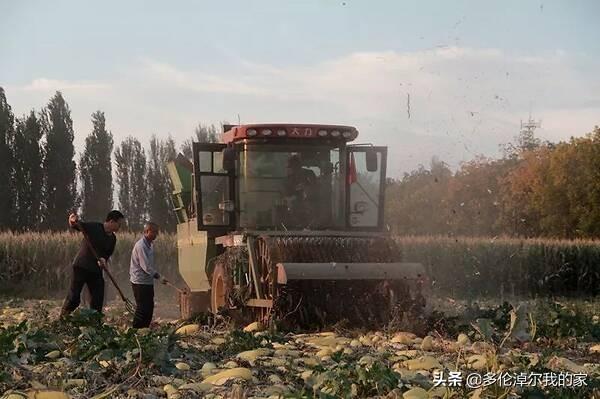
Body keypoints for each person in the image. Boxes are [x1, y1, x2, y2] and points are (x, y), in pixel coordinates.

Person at [60, 210, 125, 316]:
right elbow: (76, 225)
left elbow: (107, 254)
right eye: (119, 224)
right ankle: (63, 318)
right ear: (112, 221)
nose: (120, 226)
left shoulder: (112, 239)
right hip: (81, 266)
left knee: (98, 297)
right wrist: (72, 219)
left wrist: (104, 259)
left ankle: (95, 322)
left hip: (95, 270)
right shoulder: (94, 227)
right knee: (74, 297)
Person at [129, 222, 167, 328]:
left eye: (157, 232)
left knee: (149, 307)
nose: (156, 234)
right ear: (146, 232)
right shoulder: (141, 246)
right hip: (139, 282)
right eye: (153, 232)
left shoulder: (150, 245)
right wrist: (159, 277)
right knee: (142, 308)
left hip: (147, 281)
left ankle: (144, 330)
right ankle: (136, 331)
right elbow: (145, 266)